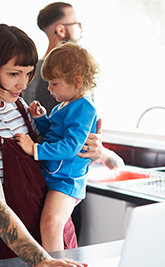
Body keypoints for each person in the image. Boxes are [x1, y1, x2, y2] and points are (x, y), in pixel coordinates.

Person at [0, 24, 86, 267]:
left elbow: (55, 152)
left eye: (28, 73)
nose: (23, 84)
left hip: (60, 242)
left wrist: (93, 150)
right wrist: (41, 260)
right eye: (14, 74)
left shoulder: (18, 106)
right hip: (19, 257)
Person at [16, 42, 99, 252]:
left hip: (66, 181)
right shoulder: (65, 105)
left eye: (54, 83)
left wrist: (35, 149)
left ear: (77, 81)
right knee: (48, 225)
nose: (49, 89)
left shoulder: (84, 107)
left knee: (51, 224)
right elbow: (54, 134)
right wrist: (41, 118)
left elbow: (71, 145)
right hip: (55, 177)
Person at [22, 2, 124, 169]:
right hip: (61, 170)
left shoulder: (31, 72)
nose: (81, 29)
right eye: (77, 24)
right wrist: (103, 154)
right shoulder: (61, 80)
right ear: (61, 30)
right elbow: (63, 136)